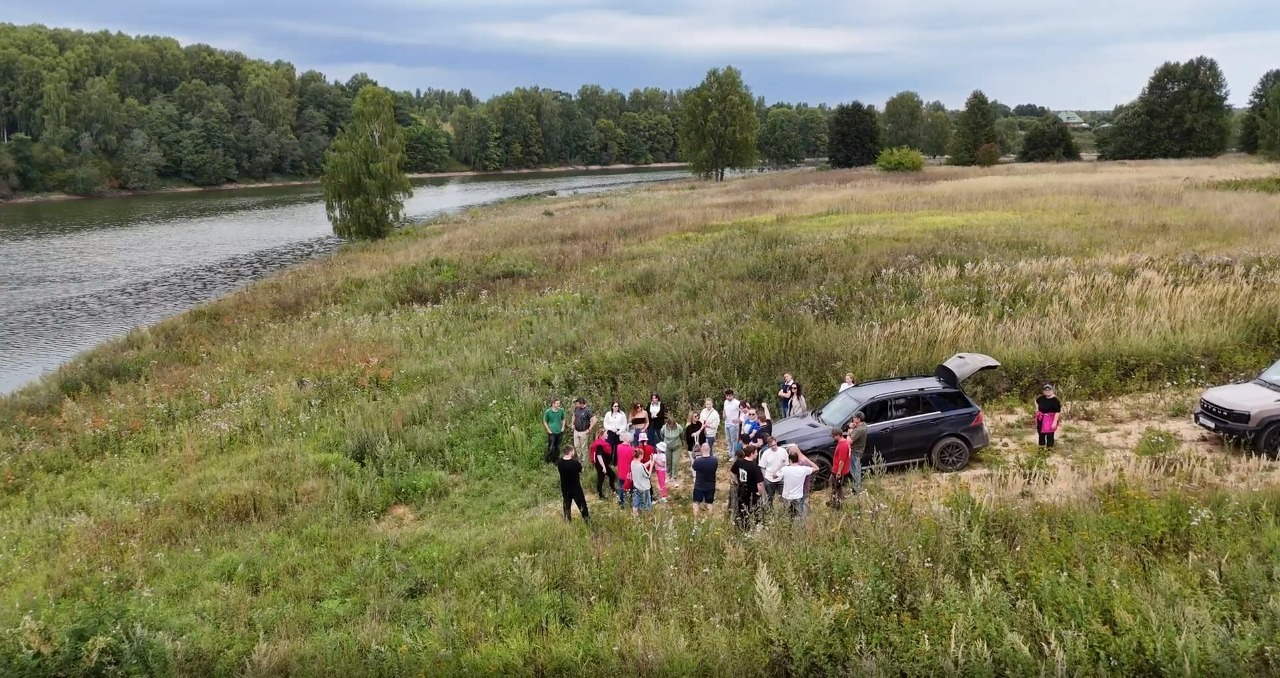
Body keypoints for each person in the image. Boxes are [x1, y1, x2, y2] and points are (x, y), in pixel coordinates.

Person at [731, 445, 765, 529]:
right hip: (752, 493)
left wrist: (736, 481)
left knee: (741, 509)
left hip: (741, 490)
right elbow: (760, 483)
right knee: (754, 510)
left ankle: (741, 526)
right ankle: (753, 527)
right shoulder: (754, 466)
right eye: (756, 452)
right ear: (752, 453)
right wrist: (760, 493)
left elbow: (732, 471)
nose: (757, 454)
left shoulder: (739, 462)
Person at [779, 446, 818, 519]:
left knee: (801, 507)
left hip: (801, 489)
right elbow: (816, 468)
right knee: (800, 506)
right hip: (802, 488)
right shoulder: (803, 464)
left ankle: (801, 521)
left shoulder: (802, 464)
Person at [557, 446, 589, 522]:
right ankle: (587, 520)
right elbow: (580, 470)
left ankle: (567, 520)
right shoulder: (574, 463)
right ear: (571, 452)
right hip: (575, 487)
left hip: (565, 487)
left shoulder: (560, 462)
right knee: (582, 504)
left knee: (566, 504)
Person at [691, 443, 718, 521]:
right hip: (711, 485)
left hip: (699, 486)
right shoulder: (714, 460)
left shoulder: (698, 461)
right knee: (709, 503)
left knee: (696, 503)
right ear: (709, 449)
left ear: (701, 450)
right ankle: (710, 522)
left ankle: (696, 521)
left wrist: (695, 456)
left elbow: (694, 467)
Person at [759, 437, 788, 506]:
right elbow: (762, 466)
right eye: (772, 445)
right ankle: (770, 511)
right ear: (769, 445)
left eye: (775, 444)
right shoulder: (766, 453)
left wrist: (782, 474)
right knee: (770, 498)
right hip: (769, 479)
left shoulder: (783, 451)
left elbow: (786, 464)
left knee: (785, 496)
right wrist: (765, 478)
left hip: (781, 478)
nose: (774, 447)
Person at [829, 428, 851, 509]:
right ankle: (835, 500)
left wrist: (839, 472)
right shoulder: (844, 442)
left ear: (838, 435)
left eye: (833, 436)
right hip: (836, 469)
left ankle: (838, 504)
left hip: (838, 470)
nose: (833, 438)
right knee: (833, 483)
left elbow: (842, 461)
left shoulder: (843, 445)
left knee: (837, 487)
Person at [589, 431, 616, 499]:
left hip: (603, 464)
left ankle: (612, 489)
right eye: (606, 434)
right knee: (601, 478)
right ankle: (601, 495)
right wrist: (603, 467)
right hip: (601, 465)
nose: (607, 435)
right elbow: (599, 456)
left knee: (611, 475)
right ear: (601, 436)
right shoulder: (599, 445)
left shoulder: (601, 443)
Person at [846, 411, 867, 494]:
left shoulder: (859, 430)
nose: (853, 419)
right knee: (856, 469)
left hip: (855, 452)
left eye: (854, 418)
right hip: (859, 451)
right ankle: (857, 486)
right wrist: (853, 427)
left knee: (855, 470)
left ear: (858, 419)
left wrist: (849, 431)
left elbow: (849, 441)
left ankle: (857, 488)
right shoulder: (863, 425)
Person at [630, 448, 654, 516]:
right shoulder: (641, 466)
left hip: (636, 486)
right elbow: (648, 475)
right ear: (640, 455)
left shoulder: (633, 463)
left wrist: (649, 461)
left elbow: (643, 467)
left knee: (636, 502)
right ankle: (646, 516)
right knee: (646, 504)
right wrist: (651, 464)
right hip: (644, 488)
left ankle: (635, 515)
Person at [661, 418, 684, 486]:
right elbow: (661, 435)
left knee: (675, 462)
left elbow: (682, 436)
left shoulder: (679, 428)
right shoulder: (664, 428)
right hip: (667, 447)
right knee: (668, 462)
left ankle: (674, 478)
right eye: (670, 425)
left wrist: (680, 442)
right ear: (667, 424)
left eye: (672, 425)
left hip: (677, 447)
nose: (671, 426)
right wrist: (665, 442)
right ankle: (669, 476)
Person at [543, 398, 566, 463]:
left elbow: (564, 419)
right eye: (557, 403)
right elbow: (545, 421)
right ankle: (548, 460)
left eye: (559, 403)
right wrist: (548, 430)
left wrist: (563, 427)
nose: (559, 404)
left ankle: (556, 461)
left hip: (559, 432)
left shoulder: (561, 410)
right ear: (553, 404)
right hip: (552, 432)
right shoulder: (548, 411)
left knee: (557, 447)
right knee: (551, 447)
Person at [616, 439, 635, 509]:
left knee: (621, 487)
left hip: (621, 471)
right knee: (630, 488)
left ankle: (621, 503)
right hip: (628, 472)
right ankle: (630, 503)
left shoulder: (618, 447)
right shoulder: (632, 449)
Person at [723, 389, 742, 457]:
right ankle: (730, 452)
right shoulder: (725, 402)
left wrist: (739, 419)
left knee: (734, 440)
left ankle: (734, 454)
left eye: (730, 396)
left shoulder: (737, 403)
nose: (728, 397)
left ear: (733, 395)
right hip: (727, 423)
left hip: (734, 424)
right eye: (727, 396)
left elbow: (742, 411)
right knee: (728, 439)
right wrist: (724, 414)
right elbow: (724, 410)